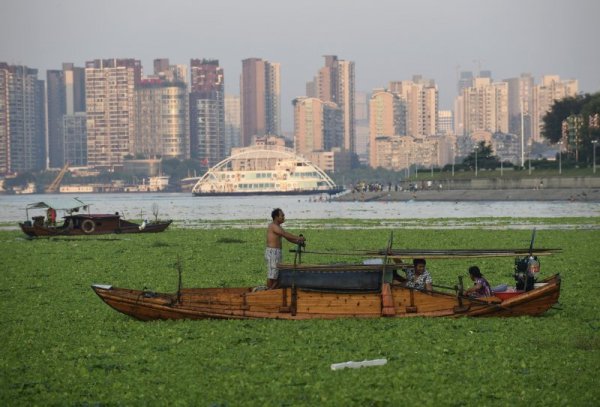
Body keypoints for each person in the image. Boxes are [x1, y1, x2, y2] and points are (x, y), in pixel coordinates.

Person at [265, 208, 305, 289]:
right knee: (272, 275)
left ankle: (272, 290)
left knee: (277, 274)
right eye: (282, 216)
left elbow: (287, 238)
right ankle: (268, 292)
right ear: (276, 217)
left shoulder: (278, 227)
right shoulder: (273, 226)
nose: (283, 217)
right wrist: (298, 238)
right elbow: (285, 234)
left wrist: (297, 242)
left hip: (277, 252)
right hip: (273, 252)